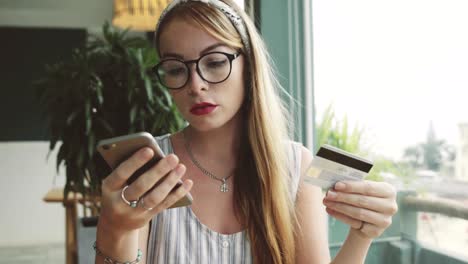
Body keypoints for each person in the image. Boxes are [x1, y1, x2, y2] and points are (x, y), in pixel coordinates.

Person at [95, 0, 398, 263]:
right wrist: (116, 229)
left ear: (249, 65)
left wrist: (362, 234)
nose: (195, 84)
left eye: (214, 63)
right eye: (176, 69)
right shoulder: (151, 168)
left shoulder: (294, 165)